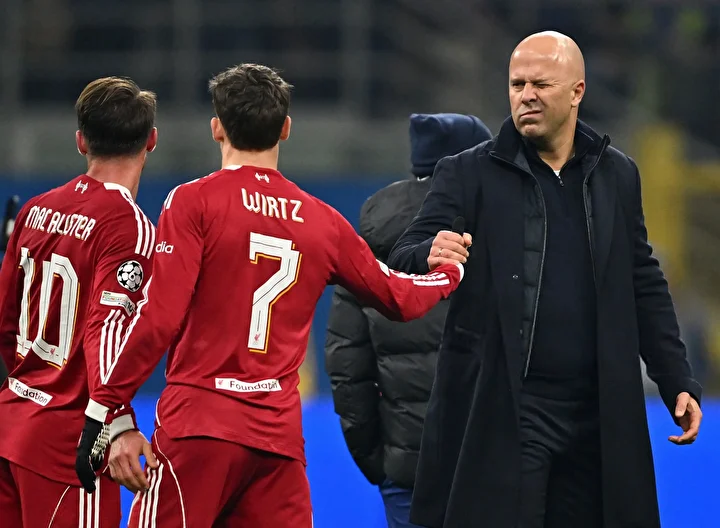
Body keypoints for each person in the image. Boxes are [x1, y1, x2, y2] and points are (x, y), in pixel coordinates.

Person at [73, 63, 465, 528]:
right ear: (286, 129)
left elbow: (159, 318)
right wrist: (450, 272)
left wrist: (105, 406)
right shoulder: (322, 220)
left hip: (199, 429)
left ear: (217, 128)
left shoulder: (193, 202)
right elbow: (399, 296)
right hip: (276, 445)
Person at [387, 31, 703, 528]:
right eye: (517, 85)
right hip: (511, 411)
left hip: (597, 411)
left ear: (577, 91)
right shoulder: (468, 172)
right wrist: (428, 252)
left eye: (540, 84)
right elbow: (401, 255)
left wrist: (676, 378)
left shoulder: (617, 174)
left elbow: (642, 280)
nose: (526, 95)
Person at [0, 77, 157, 527]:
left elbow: (5, 321)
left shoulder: (35, 210)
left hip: (12, 426)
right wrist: (117, 421)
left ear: (80, 141)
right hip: (69, 447)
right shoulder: (129, 226)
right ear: (151, 140)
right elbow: (107, 331)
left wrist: (33, 383)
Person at [324, 112, 492, 528]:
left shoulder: (370, 236)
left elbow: (347, 364)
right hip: (493, 465)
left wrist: (379, 461)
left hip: (408, 472)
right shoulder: (497, 226)